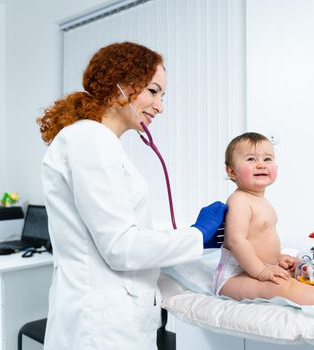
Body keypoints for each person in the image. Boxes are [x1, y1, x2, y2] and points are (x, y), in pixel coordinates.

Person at [37, 42, 227, 350]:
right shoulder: (90, 139)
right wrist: (196, 235)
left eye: (162, 95)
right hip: (99, 327)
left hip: (113, 318)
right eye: (153, 91)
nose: (160, 106)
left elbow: (126, 231)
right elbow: (120, 246)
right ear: (121, 86)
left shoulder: (99, 142)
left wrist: (192, 239)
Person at [212, 132, 314, 308]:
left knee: (301, 271)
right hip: (234, 277)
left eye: (267, 159)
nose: (260, 164)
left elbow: (258, 241)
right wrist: (262, 270)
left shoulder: (259, 200)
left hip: (257, 268)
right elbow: (237, 242)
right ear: (232, 171)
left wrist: (277, 258)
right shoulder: (240, 201)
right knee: (282, 286)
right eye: (251, 159)